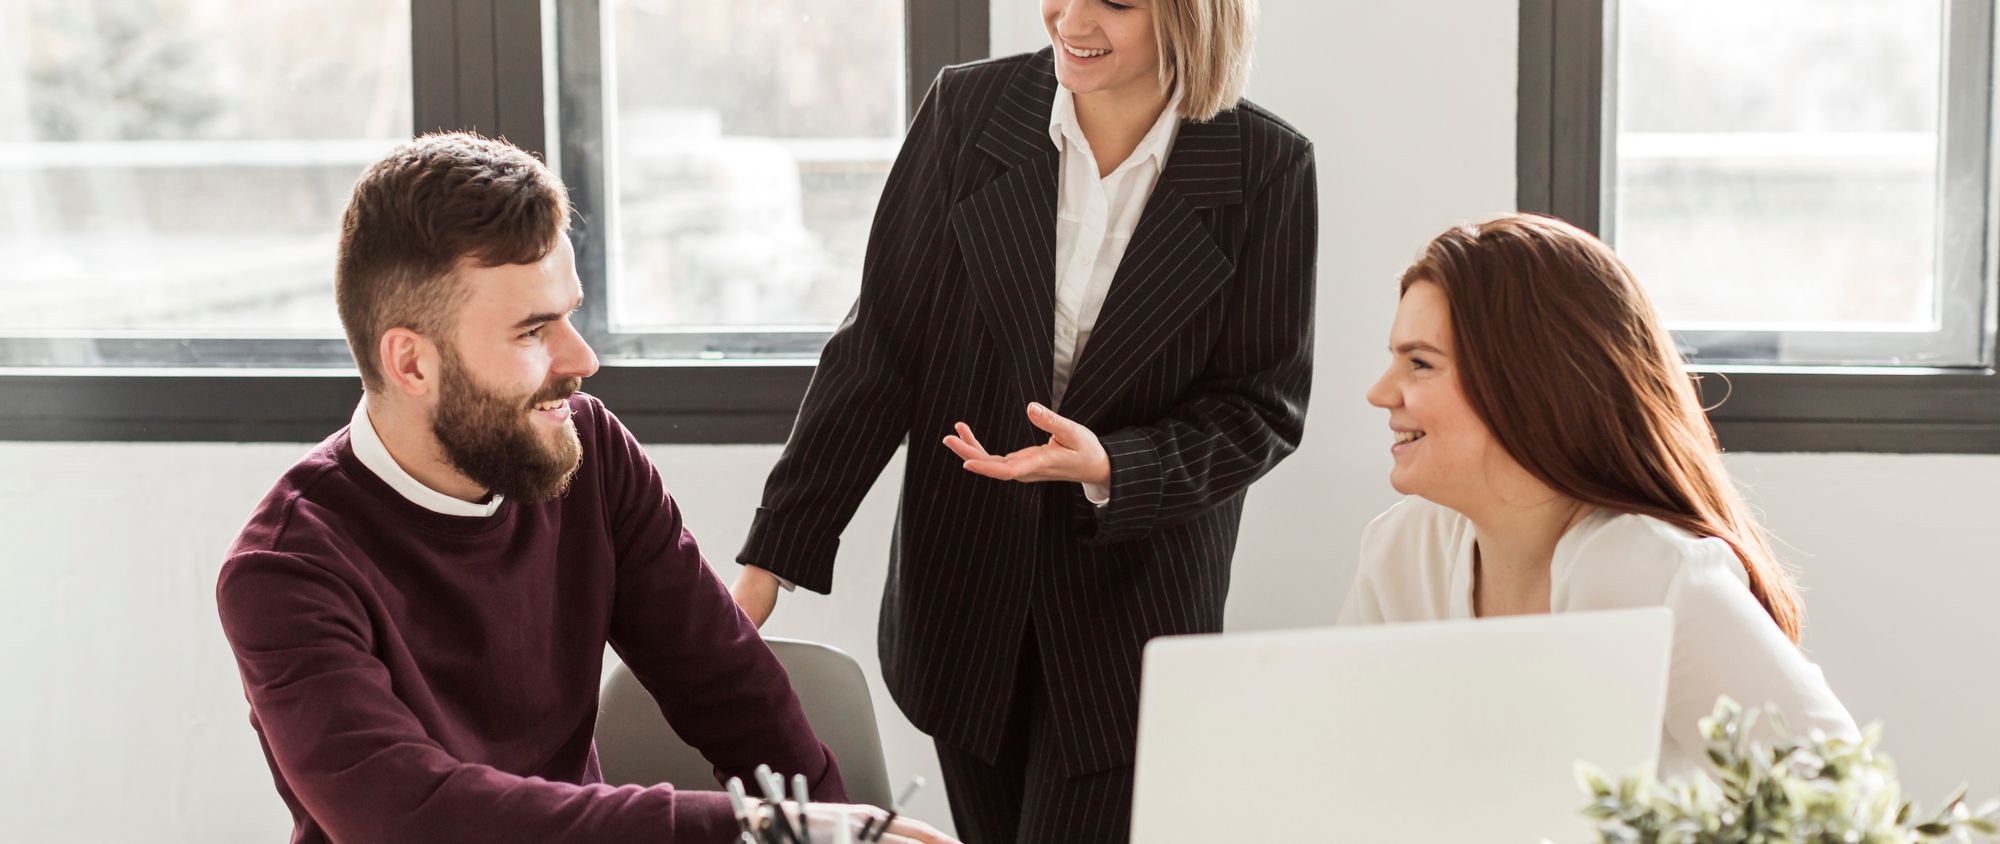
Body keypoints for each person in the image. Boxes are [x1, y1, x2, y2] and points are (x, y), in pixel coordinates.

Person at [215, 132, 953, 844]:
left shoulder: (588, 451)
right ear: (411, 364)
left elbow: (731, 691)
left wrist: (829, 829)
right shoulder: (284, 571)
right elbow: (409, 818)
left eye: (571, 314)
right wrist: (765, 830)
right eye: (533, 331)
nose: (584, 358)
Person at [729, 0, 1316, 839]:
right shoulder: (968, 113)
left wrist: (1114, 465)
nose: (1070, 18)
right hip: (964, 604)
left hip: (1131, 619)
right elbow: (879, 351)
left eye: (1115, 1)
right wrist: (771, 558)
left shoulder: (1266, 165)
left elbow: (1262, 407)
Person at [1340, 213, 1857, 779]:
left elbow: (1838, 795)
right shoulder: (1398, 550)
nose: (1379, 392)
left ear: (1529, 383)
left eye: (1419, 364)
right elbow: (1339, 762)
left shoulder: (1653, 574)